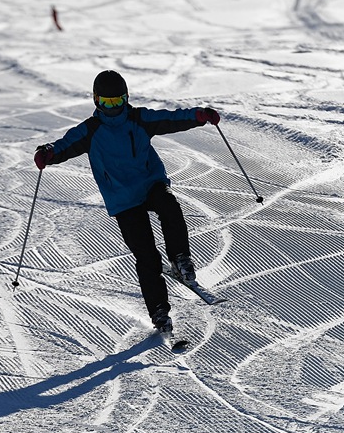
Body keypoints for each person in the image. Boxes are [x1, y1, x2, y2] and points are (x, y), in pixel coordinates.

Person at [33, 70, 220, 333]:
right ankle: (158, 310)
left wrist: (199, 115)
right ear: (96, 101)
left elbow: (170, 117)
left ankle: (180, 257)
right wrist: (49, 153)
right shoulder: (90, 130)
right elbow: (65, 145)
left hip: (150, 182)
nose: (113, 108)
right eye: (107, 103)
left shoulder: (138, 118)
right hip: (123, 198)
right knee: (146, 255)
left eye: (117, 102)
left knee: (169, 205)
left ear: (126, 98)